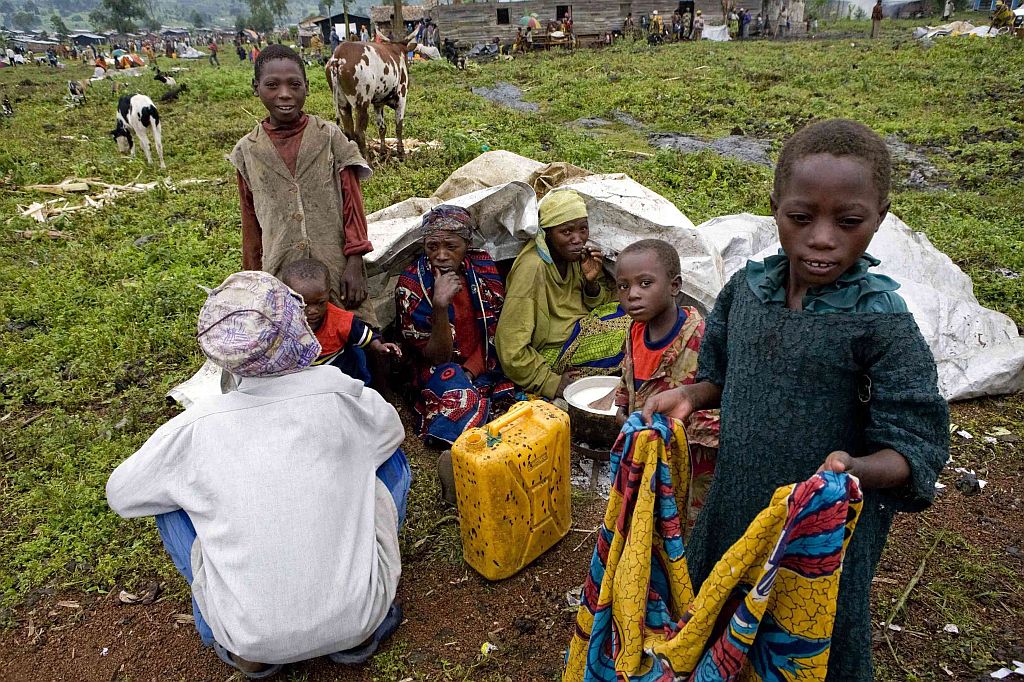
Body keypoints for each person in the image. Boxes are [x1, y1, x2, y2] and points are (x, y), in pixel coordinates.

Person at [641, 119, 949, 681]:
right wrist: (688, 394)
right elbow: (721, 376)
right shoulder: (747, 291)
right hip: (737, 501)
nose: (823, 237)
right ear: (775, 207)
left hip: (819, 534)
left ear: (880, 215)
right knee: (725, 610)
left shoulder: (882, 323)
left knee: (808, 639)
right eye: (801, 217)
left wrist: (852, 470)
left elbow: (915, 447)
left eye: (849, 221)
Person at [106, 271, 410, 677]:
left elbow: (122, 494)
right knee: (386, 459)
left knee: (170, 499)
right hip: (359, 618)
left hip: (248, 638)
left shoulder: (192, 430)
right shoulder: (341, 394)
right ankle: (357, 628)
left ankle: (246, 643)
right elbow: (391, 429)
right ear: (295, 328)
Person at [228, 45, 378, 328]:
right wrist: (253, 279)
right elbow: (250, 222)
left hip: (335, 266)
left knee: (358, 335)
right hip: (280, 268)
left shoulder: (329, 137)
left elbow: (352, 202)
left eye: (294, 84)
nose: (284, 94)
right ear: (256, 87)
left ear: (307, 88)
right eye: (272, 85)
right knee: (289, 338)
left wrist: (356, 259)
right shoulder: (247, 152)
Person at [611, 239, 720, 538]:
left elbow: (717, 398)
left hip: (695, 457)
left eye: (645, 283)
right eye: (623, 286)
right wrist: (624, 408)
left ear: (674, 286)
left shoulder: (701, 337)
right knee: (649, 515)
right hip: (647, 448)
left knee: (687, 521)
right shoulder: (634, 331)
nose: (632, 294)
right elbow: (629, 377)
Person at [396, 206, 515, 445]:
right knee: (457, 397)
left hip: (483, 360)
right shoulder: (412, 285)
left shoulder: (482, 267)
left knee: (517, 365)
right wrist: (440, 305)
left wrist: (472, 369)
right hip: (439, 369)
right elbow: (435, 358)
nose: (441, 255)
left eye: (451, 246)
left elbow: (495, 328)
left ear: (467, 245)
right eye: (432, 247)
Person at [495, 190, 627, 399]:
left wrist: (591, 283)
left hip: (580, 330)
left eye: (583, 229)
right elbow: (510, 346)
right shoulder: (532, 268)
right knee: (631, 335)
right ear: (546, 233)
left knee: (636, 314)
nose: (578, 239)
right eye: (566, 232)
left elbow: (599, 302)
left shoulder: (577, 259)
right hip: (552, 352)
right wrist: (549, 382)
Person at [281, 258, 400, 383]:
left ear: (329, 294)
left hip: (342, 379)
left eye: (320, 303)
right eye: (303, 304)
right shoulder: (282, 322)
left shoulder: (339, 319)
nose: (312, 310)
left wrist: (379, 346)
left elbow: (363, 334)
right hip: (304, 381)